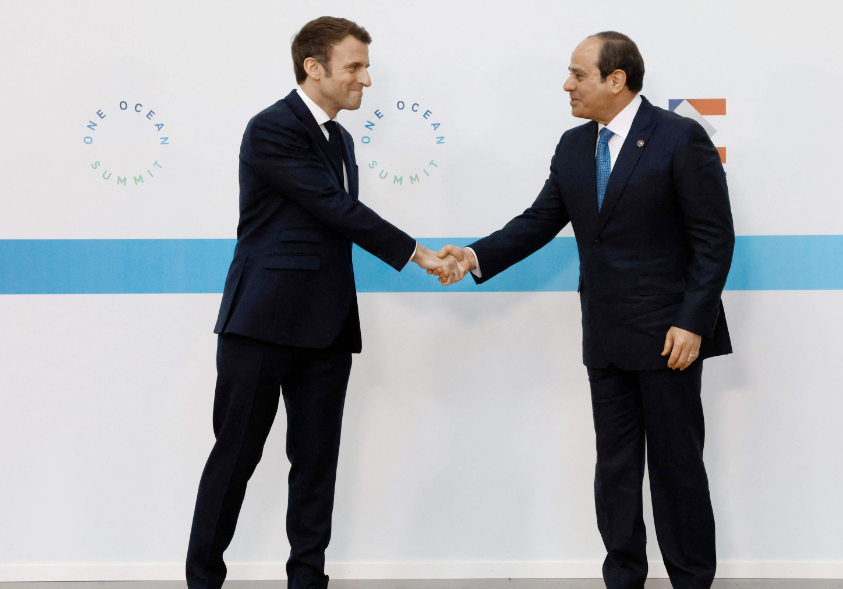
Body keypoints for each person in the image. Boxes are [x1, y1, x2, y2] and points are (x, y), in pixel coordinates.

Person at [439, 32, 734, 589]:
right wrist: (474, 256)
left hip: (670, 337)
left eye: (578, 74)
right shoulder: (574, 146)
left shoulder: (680, 138)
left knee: (676, 470)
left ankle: (692, 580)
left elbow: (714, 240)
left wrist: (694, 321)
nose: (567, 85)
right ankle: (623, 577)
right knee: (615, 471)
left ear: (615, 79)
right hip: (604, 335)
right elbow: (537, 222)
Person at [185, 16, 458, 589]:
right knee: (234, 459)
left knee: (315, 468)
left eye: (366, 67)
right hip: (261, 323)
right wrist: (417, 253)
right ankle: (203, 579)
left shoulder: (340, 138)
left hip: (326, 329)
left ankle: (308, 580)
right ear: (315, 67)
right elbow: (333, 207)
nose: (366, 79)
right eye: (354, 67)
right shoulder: (272, 128)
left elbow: (335, 219)